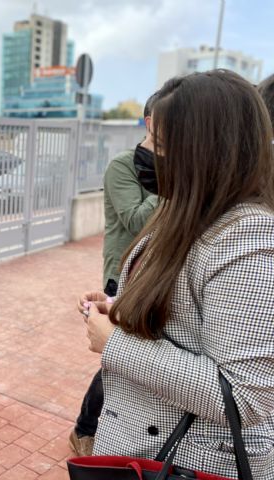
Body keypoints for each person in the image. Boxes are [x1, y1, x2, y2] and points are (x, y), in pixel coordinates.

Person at [79, 70, 274, 478]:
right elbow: (190, 315)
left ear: (208, 153)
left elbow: (245, 398)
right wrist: (120, 307)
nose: (145, 151)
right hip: (148, 445)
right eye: (148, 137)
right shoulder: (186, 209)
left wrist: (117, 343)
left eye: (160, 144)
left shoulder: (249, 234)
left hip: (186, 459)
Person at [69, 92, 161, 456]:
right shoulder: (123, 166)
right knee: (118, 357)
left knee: (129, 359)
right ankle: (84, 429)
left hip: (156, 276)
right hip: (123, 275)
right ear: (151, 122)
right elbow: (137, 220)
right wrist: (171, 184)